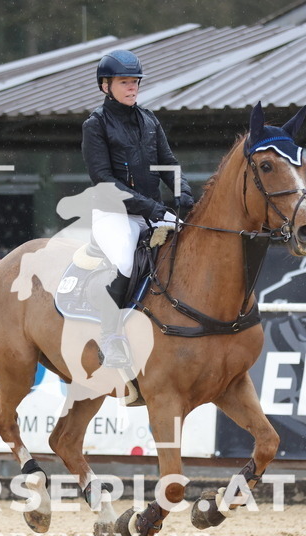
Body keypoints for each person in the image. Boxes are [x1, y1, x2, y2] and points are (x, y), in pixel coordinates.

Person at [81, 49, 194, 368]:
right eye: (124, 83)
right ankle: (110, 335)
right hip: (113, 214)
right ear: (106, 86)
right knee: (125, 262)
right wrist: (154, 208)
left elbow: (169, 165)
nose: (132, 88)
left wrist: (182, 191)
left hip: (152, 211)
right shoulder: (95, 125)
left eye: (135, 82)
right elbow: (104, 181)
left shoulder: (148, 120)